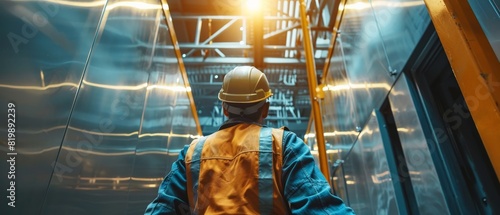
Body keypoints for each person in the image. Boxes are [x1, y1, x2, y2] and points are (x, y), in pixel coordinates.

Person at [145, 66, 354, 214]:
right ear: (265, 108)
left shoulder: (193, 153)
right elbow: (319, 207)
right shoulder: (284, 145)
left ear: (224, 108)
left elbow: (163, 209)